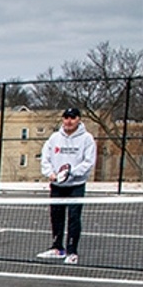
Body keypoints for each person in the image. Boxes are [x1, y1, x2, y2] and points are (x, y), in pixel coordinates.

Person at [37, 107, 97, 265]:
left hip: (76, 185)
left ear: (78, 119)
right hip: (57, 186)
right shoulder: (54, 138)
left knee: (74, 218)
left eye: (72, 118)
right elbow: (46, 158)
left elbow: (88, 163)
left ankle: (72, 252)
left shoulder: (87, 139)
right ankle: (57, 248)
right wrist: (50, 173)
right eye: (66, 118)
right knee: (56, 217)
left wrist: (71, 173)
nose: (68, 121)